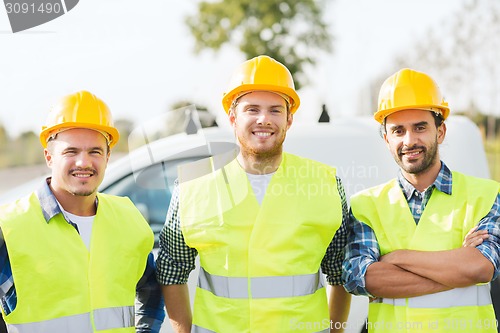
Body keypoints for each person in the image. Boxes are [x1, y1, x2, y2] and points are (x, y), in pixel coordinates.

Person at [156, 55, 352, 333]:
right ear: (233, 118)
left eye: (275, 110)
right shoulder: (193, 185)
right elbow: (172, 270)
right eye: (252, 109)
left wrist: (335, 330)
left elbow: (339, 272)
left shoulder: (326, 183)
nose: (264, 119)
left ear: (289, 119)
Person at [343, 68, 500, 333]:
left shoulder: (486, 195)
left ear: (440, 131)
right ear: (386, 139)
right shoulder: (364, 205)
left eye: (420, 127)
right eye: (398, 131)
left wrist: (396, 257)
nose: (409, 140)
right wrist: (457, 269)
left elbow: (480, 268)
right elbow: (363, 279)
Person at [0, 91, 165, 332]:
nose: (83, 163)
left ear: (108, 157)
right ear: (49, 157)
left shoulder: (128, 219)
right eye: (71, 152)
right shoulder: (10, 226)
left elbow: (151, 290)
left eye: (95, 152)